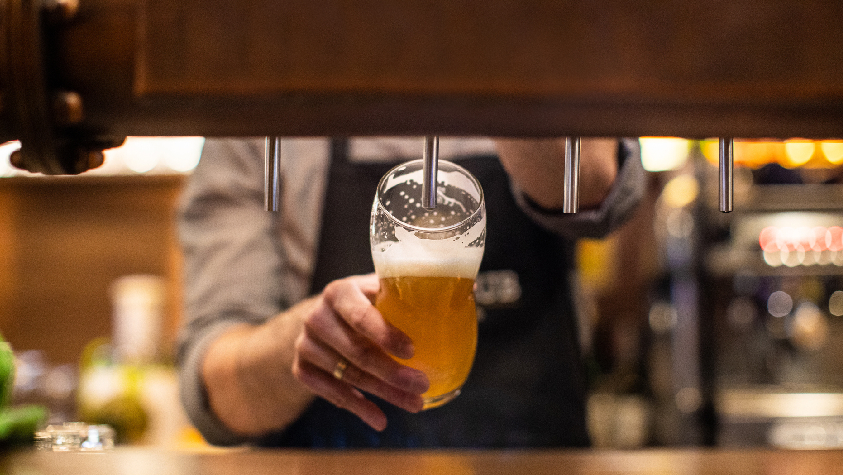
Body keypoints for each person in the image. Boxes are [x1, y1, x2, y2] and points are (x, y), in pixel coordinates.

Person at [177, 136, 645, 448]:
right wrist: (295, 345)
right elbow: (214, 394)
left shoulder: (533, 44)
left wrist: (495, 37)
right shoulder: (266, 98)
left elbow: (595, 188)